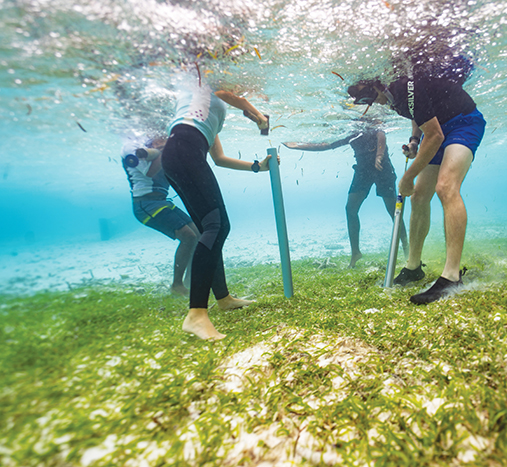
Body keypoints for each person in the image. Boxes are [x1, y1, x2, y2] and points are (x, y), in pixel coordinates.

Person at [347, 69, 486, 304]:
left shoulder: (401, 85)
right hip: (437, 129)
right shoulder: (393, 96)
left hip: (463, 123)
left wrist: (407, 177)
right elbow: (418, 114)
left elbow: (435, 137)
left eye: (368, 98)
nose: (371, 104)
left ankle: (451, 277)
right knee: (419, 196)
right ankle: (413, 267)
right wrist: (414, 140)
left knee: (445, 187)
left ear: (376, 86)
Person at [160, 75, 272, 340]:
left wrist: (258, 166)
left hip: (181, 152)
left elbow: (219, 159)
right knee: (217, 226)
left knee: (209, 228)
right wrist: (259, 116)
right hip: (183, 149)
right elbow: (233, 95)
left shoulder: (208, 112)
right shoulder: (203, 79)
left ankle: (222, 298)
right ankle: (196, 315)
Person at [282, 122, 408, 268]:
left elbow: (381, 135)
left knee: (394, 211)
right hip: (362, 171)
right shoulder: (352, 132)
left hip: (382, 169)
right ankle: (356, 252)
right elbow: (326, 145)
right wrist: (298, 146)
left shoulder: (373, 126)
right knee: (351, 209)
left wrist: (379, 155)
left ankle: (406, 247)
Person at [121, 136, 200, 296]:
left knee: (198, 235)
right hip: (145, 205)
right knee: (189, 237)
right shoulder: (132, 147)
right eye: (160, 141)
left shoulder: (161, 153)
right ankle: (177, 286)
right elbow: (149, 173)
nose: (163, 141)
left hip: (162, 202)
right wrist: (162, 152)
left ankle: (190, 282)